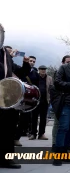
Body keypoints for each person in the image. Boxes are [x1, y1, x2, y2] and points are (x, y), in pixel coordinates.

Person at [0, 24, 31, 169]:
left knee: (9, 128)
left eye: (1, 32)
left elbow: (20, 73)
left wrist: (26, 64)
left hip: (6, 98)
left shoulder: (6, 55)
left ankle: (7, 159)